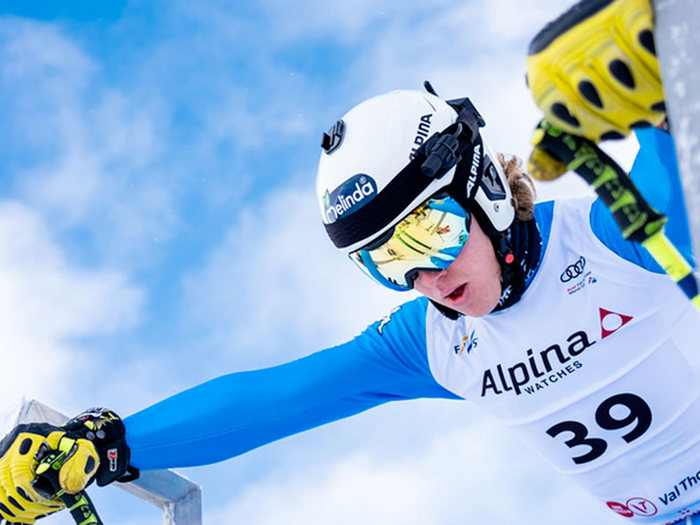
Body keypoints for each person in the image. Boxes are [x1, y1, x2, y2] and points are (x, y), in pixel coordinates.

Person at [0, 0, 695, 523]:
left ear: (481, 189)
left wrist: (664, 90)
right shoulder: (433, 342)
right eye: (388, 263)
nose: (425, 279)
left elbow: (680, 163)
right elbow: (280, 399)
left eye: (429, 235)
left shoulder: (616, 238)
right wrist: (108, 443)